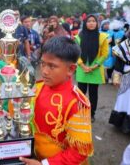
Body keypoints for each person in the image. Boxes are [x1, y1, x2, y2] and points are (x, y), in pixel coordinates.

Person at [20, 36, 93, 165]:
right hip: (33, 155)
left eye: (52, 66)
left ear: (71, 69)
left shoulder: (76, 103)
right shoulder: (38, 87)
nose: (44, 71)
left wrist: (44, 164)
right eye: (42, 63)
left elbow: (79, 152)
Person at [75, 14, 109, 122]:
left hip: (96, 69)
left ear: (97, 23)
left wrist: (95, 65)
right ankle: (80, 112)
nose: (91, 23)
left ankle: (91, 114)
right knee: (81, 93)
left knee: (93, 94)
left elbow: (104, 54)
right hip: (82, 69)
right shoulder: (78, 37)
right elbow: (76, 53)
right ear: (85, 23)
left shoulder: (102, 37)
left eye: (94, 21)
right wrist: (83, 65)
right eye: (89, 21)